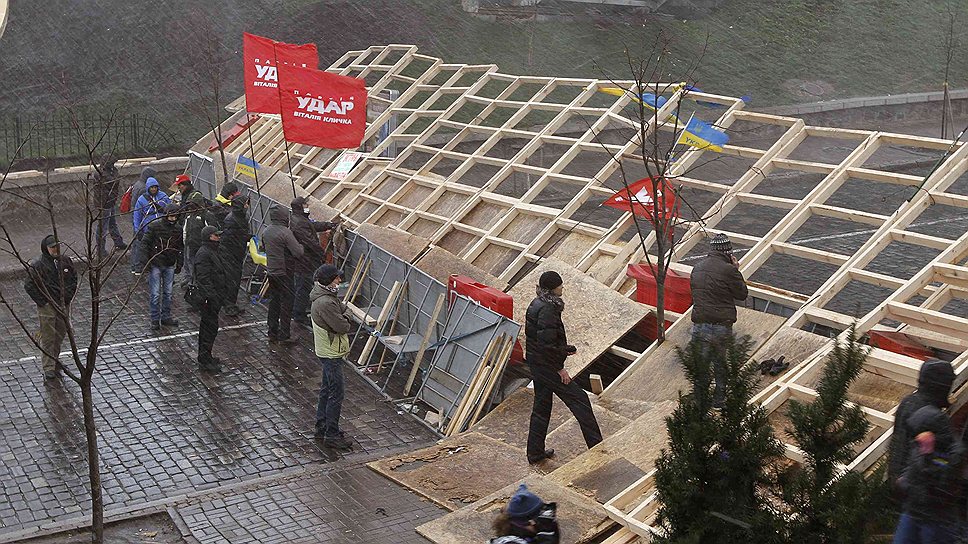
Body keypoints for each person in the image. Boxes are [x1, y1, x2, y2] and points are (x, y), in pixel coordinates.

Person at [524, 270, 602, 465]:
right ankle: (598, 448)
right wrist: (560, 368)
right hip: (547, 366)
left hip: (537, 363)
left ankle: (535, 452)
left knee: (542, 407)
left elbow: (541, 339)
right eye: (560, 285)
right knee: (580, 400)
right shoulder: (548, 309)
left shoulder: (537, 303)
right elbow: (546, 346)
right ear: (552, 288)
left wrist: (564, 349)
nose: (562, 288)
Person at [689, 233, 748, 410]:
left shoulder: (697, 268)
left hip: (699, 323)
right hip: (721, 325)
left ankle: (700, 401)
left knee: (701, 365)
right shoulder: (729, 270)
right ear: (728, 252)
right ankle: (719, 401)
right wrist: (736, 270)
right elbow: (742, 294)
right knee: (720, 363)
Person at [892, 405, 963, 543]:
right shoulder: (919, 443)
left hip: (937, 519)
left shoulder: (954, 454)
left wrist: (928, 456)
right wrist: (903, 483)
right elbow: (911, 468)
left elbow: (945, 487)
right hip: (913, 511)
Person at [887, 359, 956, 486]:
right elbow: (935, 460)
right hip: (914, 487)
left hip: (898, 478)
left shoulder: (908, 401)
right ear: (941, 385)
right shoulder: (931, 416)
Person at [310, 264, 353, 450]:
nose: (339, 281)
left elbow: (342, 310)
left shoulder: (324, 296)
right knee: (336, 393)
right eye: (337, 278)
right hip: (331, 352)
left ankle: (322, 426)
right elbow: (342, 326)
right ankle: (332, 434)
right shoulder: (326, 302)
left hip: (327, 350)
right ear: (329, 281)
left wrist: (344, 315)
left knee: (327, 390)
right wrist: (347, 318)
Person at [23, 235, 78, 381]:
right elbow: (29, 285)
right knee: (48, 337)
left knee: (60, 334)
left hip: (63, 304)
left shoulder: (65, 261)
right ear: (46, 248)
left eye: (56, 246)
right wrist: (43, 302)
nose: (55, 249)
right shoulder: (38, 265)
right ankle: (48, 367)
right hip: (48, 306)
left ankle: (54, 360)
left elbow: (73, 279)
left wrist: (68, 297)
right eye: (52, 247)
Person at [289, 196, 337, 327]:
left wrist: (327, 225)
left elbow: (312, 225)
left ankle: (300, 311)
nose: (307, 207)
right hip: (305, 261)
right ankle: (299, 315)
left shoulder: (299, 219)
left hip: (305, 260)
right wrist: (322, 254)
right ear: (300, 207)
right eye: (305, 205)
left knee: (303, 286)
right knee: (303, 287)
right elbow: (309, 241)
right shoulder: (299, 222)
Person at [262, 205, 304, 343]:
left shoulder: (266, 231)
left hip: (271, 272)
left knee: (274, 301)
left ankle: (272, 331)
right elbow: (298, 252)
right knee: (287, 303)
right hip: (284, 272)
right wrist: (301, 245)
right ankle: (285, 334)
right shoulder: (285, 232)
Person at [140, 203, 183, 331]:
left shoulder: (177, 229)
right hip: (156, 264)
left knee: (168, 293)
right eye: (171, 216)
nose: (173, 219)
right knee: (155, 294)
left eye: (175, 217)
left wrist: (179, 263)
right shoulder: (154, 227)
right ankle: (155, 319)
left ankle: (165, 316)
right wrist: (146, 263)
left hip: (169, 264)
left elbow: (180, 247)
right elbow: (145, 244)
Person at [193, 225, 227, 373]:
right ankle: (205, 359)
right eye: (216, 235)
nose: (219, 237)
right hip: (209, 299)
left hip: (214, 297)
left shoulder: (211, 251)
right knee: (208, 329)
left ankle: (207, 356)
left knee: (210, 329)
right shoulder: (204, 254)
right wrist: (212, 296)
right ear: (209, 237)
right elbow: (203, 278)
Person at [489, 484, 560, 544]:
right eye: (540, 520)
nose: (541, 524)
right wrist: (547, 534)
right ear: (530, 522)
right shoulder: (509, 542)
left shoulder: (525, 536)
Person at [218, 195, 251, 317]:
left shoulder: (240, 217)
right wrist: (244, 237)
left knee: (235, 280)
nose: (247, 206)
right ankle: (229, 305)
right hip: (230, 254)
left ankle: (231, 303)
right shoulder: (231, 219)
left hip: (236, 253)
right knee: (231, 280)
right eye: (246, 204)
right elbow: (229, 238)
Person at [131, 177, 171, 274]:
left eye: (155, 187)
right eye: (152, 187)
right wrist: (137, 230)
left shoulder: (163, 197)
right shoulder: (141, 200)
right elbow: (137, 215)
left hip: (162, 227)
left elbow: (170, 209)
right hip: (148, 228)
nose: (153, 189)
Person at [175, 174, 208, 290]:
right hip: (188, 232)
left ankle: (193, 280)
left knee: (191, 258)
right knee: (187, 257)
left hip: (194, 235)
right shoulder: (185, 196)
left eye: (180, 185)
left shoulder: (194, 196)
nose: (179, 188)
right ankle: (189, 277)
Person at [93, 155, 126, 259]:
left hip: (110, 201)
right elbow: (113, 181)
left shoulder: (110, 171)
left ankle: (118, 242)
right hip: (104, 203)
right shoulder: (101, 174)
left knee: (112, 223)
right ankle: (100, 250)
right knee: (103, 227)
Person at [128, 166, 157, 273]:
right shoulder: (144, 189)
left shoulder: (137, 184)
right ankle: (139, 266)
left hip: (135, 215)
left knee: (136, 243)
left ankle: (134, 266)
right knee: (141, 243)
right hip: (141, 218)